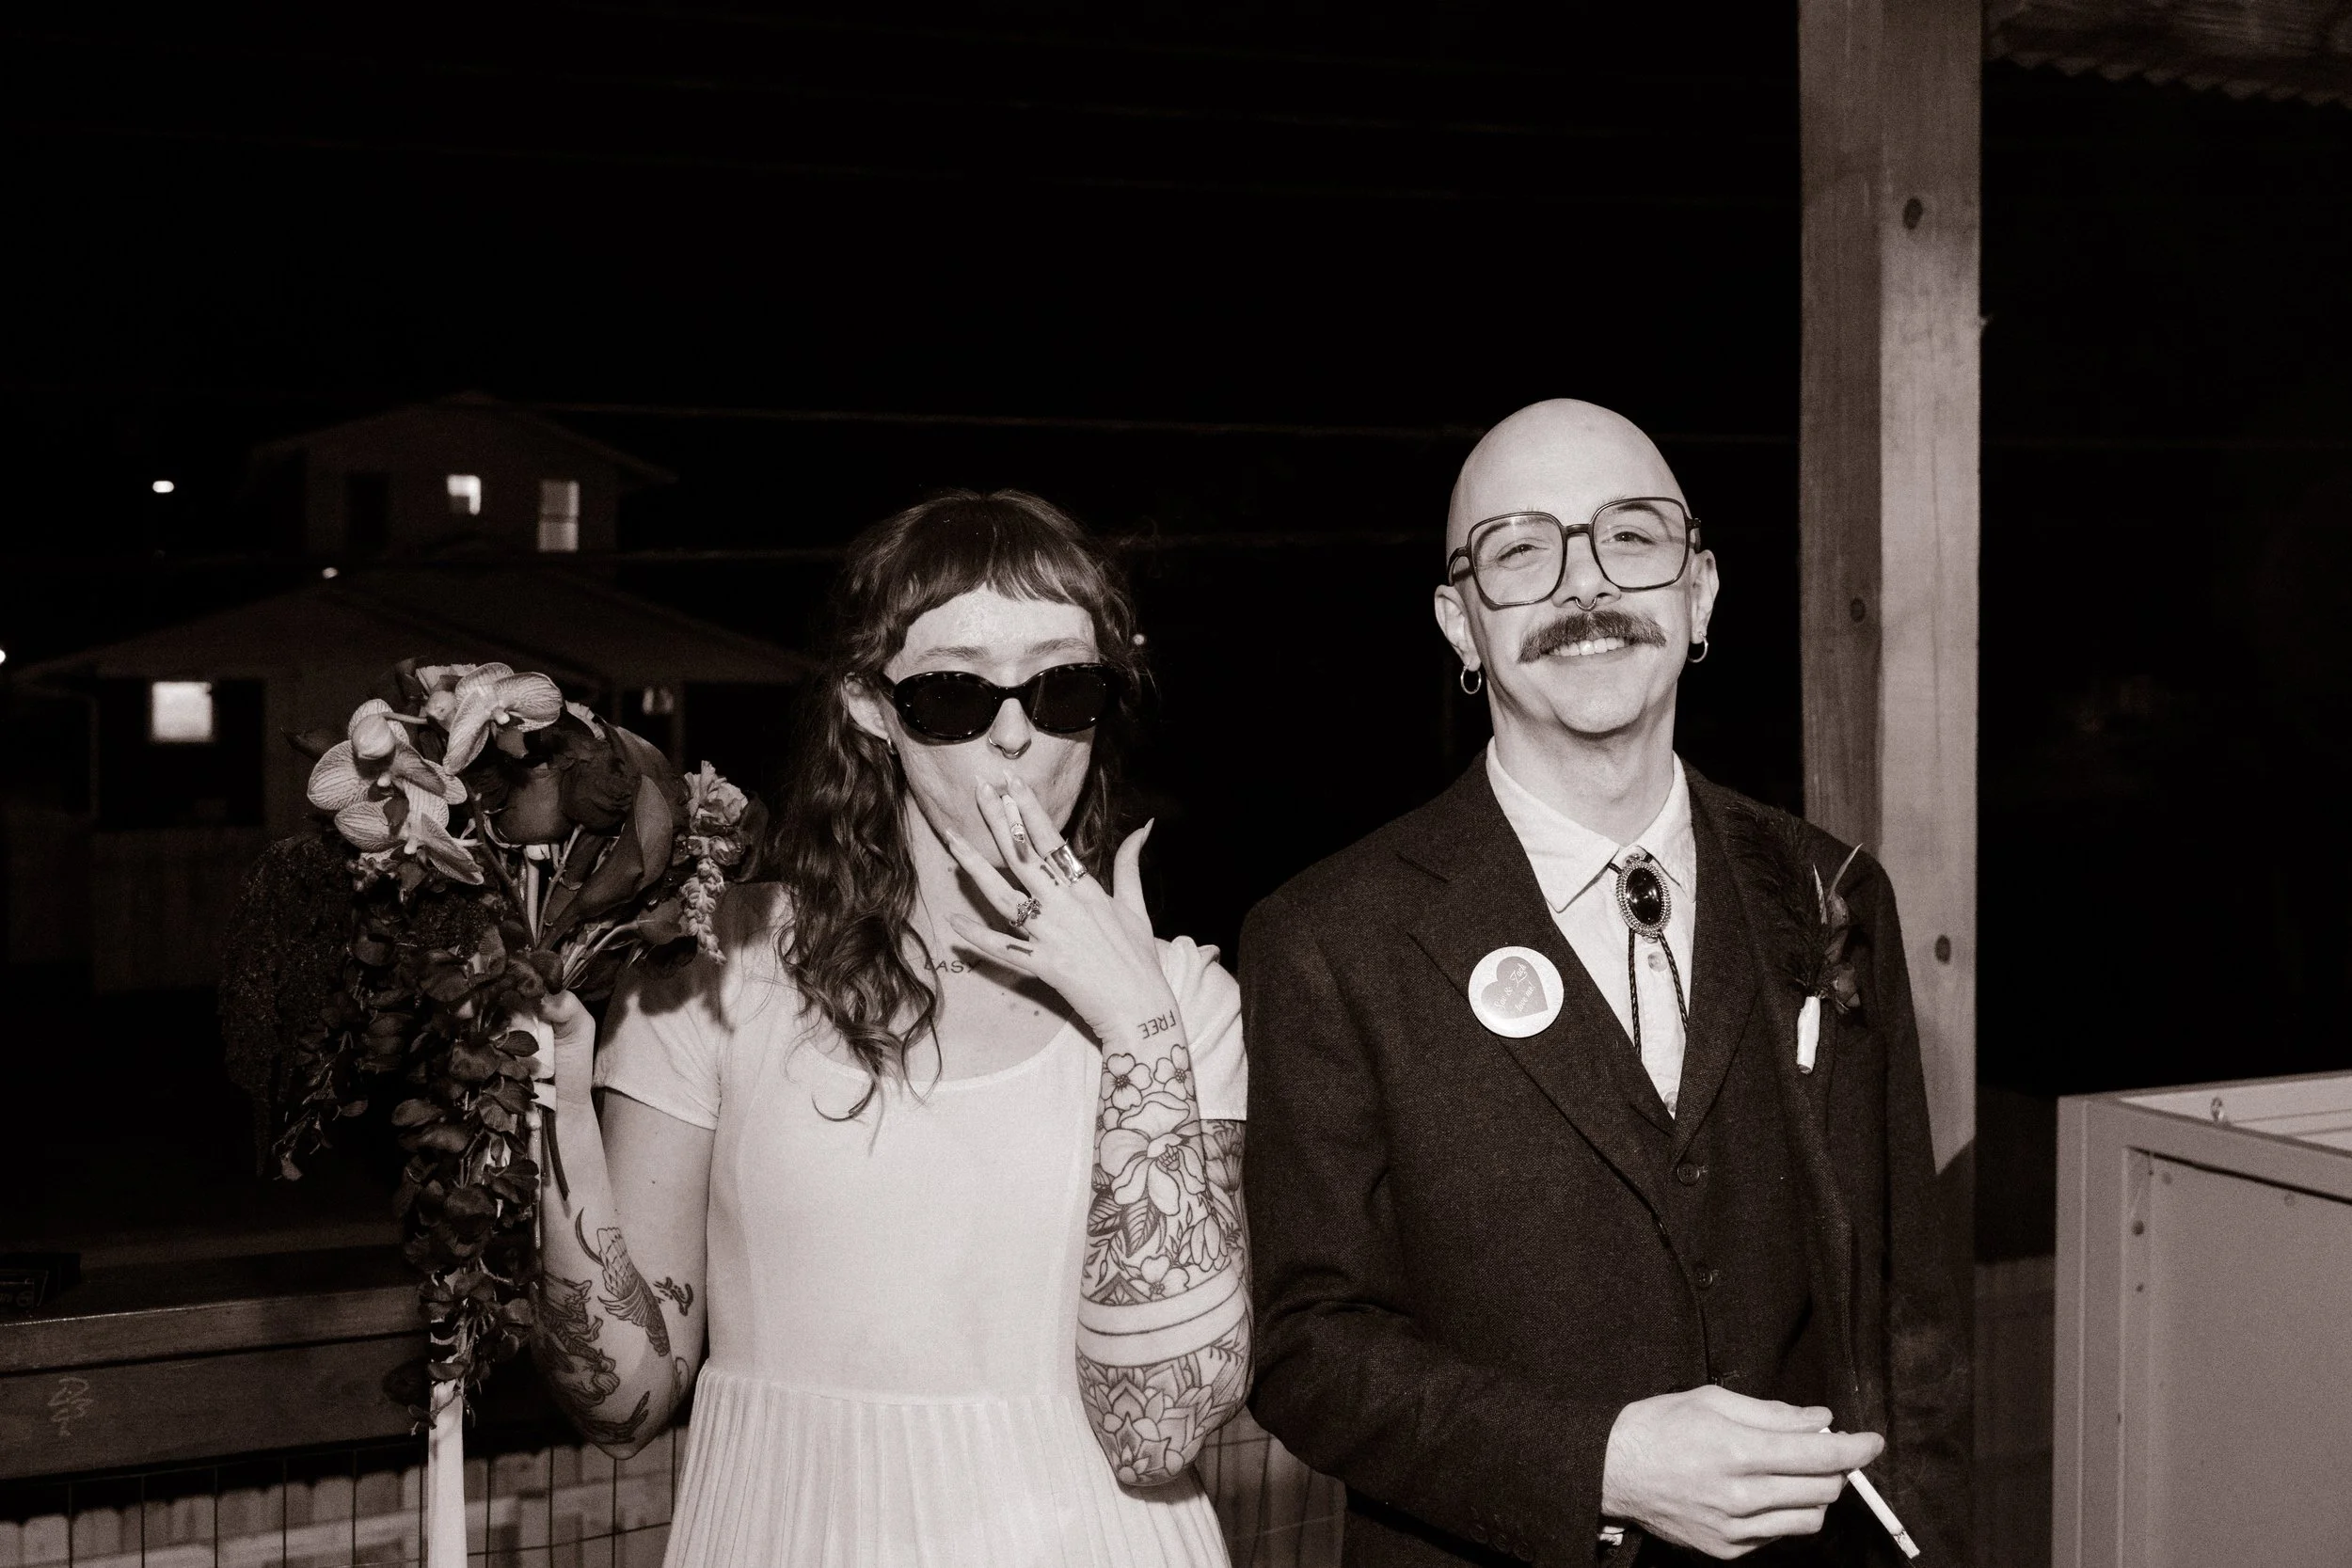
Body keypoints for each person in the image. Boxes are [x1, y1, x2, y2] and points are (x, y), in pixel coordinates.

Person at [1240, 401, 1968, 1565]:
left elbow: (1906, 1309)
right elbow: (1308, 1352)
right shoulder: (1331, 938)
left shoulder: (1829, 889)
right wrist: (1604, 1463)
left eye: (1631, 536)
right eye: (1522, 550)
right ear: (1460, 624)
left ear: (1701, 593)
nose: (1587, 586)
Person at [525, 491, 1251, 1566]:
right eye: (956, 692)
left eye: (1063, 687)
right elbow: (622, 1401)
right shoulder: (718, 966)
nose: (1015, 729)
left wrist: (1138, 1025)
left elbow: (1161, 1430)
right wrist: (555, 1111)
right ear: (871, 706)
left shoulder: (1185, 995)